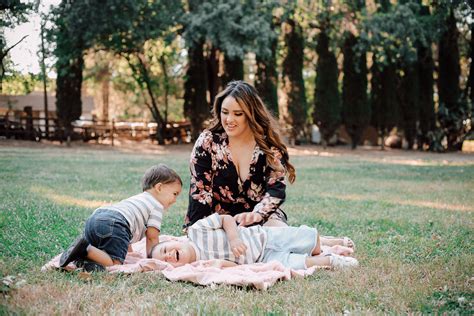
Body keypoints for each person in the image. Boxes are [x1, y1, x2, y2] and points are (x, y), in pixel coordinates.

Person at [185, 80, 295, 230]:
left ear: (251, 114)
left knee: (281, 235)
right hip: (219, 221)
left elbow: (276, 190)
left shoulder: (269, 147)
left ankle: (325, 243)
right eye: (225, 112)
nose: (229, 120)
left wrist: (257, 215)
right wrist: (196, 230)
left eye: (238, 114)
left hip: (260, 218)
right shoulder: (207, 142)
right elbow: (199, 192)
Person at [59, 164, 182, 272]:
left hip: (96, 218)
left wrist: (130, 253)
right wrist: (152, 261)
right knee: (115, 264)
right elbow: (152, 237)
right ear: (159, 188)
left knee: (105, 253)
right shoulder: (156, 206)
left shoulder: (137, 199)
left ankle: (81, 258)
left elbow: (126, 237)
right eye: (174, 194)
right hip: (115, 224)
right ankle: (85, 249)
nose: (175, 200)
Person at [154, 213, 358, 270]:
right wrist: (223, 265)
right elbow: (232, 266)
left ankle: (329, 245)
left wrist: (234, 238)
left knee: (309, 241)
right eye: (166, 260)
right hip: (262, 258)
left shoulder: (196, 231)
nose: (169, 256)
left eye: (165, 250)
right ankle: (331, 261)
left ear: (171, 241)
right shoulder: (199, 265)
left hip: (263, 236)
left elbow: (225, 218)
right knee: (296, 265)